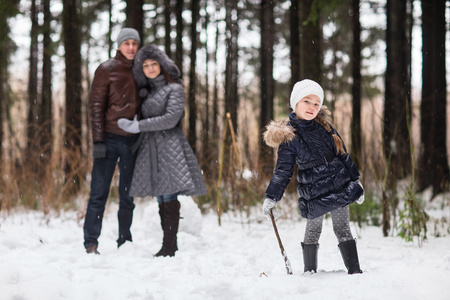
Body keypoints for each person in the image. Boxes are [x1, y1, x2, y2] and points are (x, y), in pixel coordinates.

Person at [262, 79, 364, 274]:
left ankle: (355, 271)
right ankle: (310, 272)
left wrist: (355, 180)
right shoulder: (289, 136)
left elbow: (342, 154)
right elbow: (283, 171)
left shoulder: (325, 127)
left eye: (317, 103)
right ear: (295, 103)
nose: (312, 107)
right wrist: (271, 196)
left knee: (342, 228)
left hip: (339, 184)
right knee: (313, 231)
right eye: (307, 101)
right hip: (314, 191)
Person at [118, 45, 207, 257]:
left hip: (169, 145)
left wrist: (139, 126)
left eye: (153, 64)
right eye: (145, 65)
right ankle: (168, 244)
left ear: (162, 65)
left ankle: (169, 245)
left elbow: (171, 119)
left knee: (169, 193)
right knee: (160, 195)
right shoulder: (148, 92)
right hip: (150, 147)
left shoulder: (174, 89)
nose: (150, 68)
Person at [83, 28, 141, 254]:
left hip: (132, 142)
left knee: (128, 196)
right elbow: (95, 107)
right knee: (99, 193)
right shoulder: (106, 69)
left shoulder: (139, 70)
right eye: (126, 43)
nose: (131, 47)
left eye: (134, 43)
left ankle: (124, 241)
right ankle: (91, 243)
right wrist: (98, 141)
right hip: (108, 139)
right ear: (119, 45)